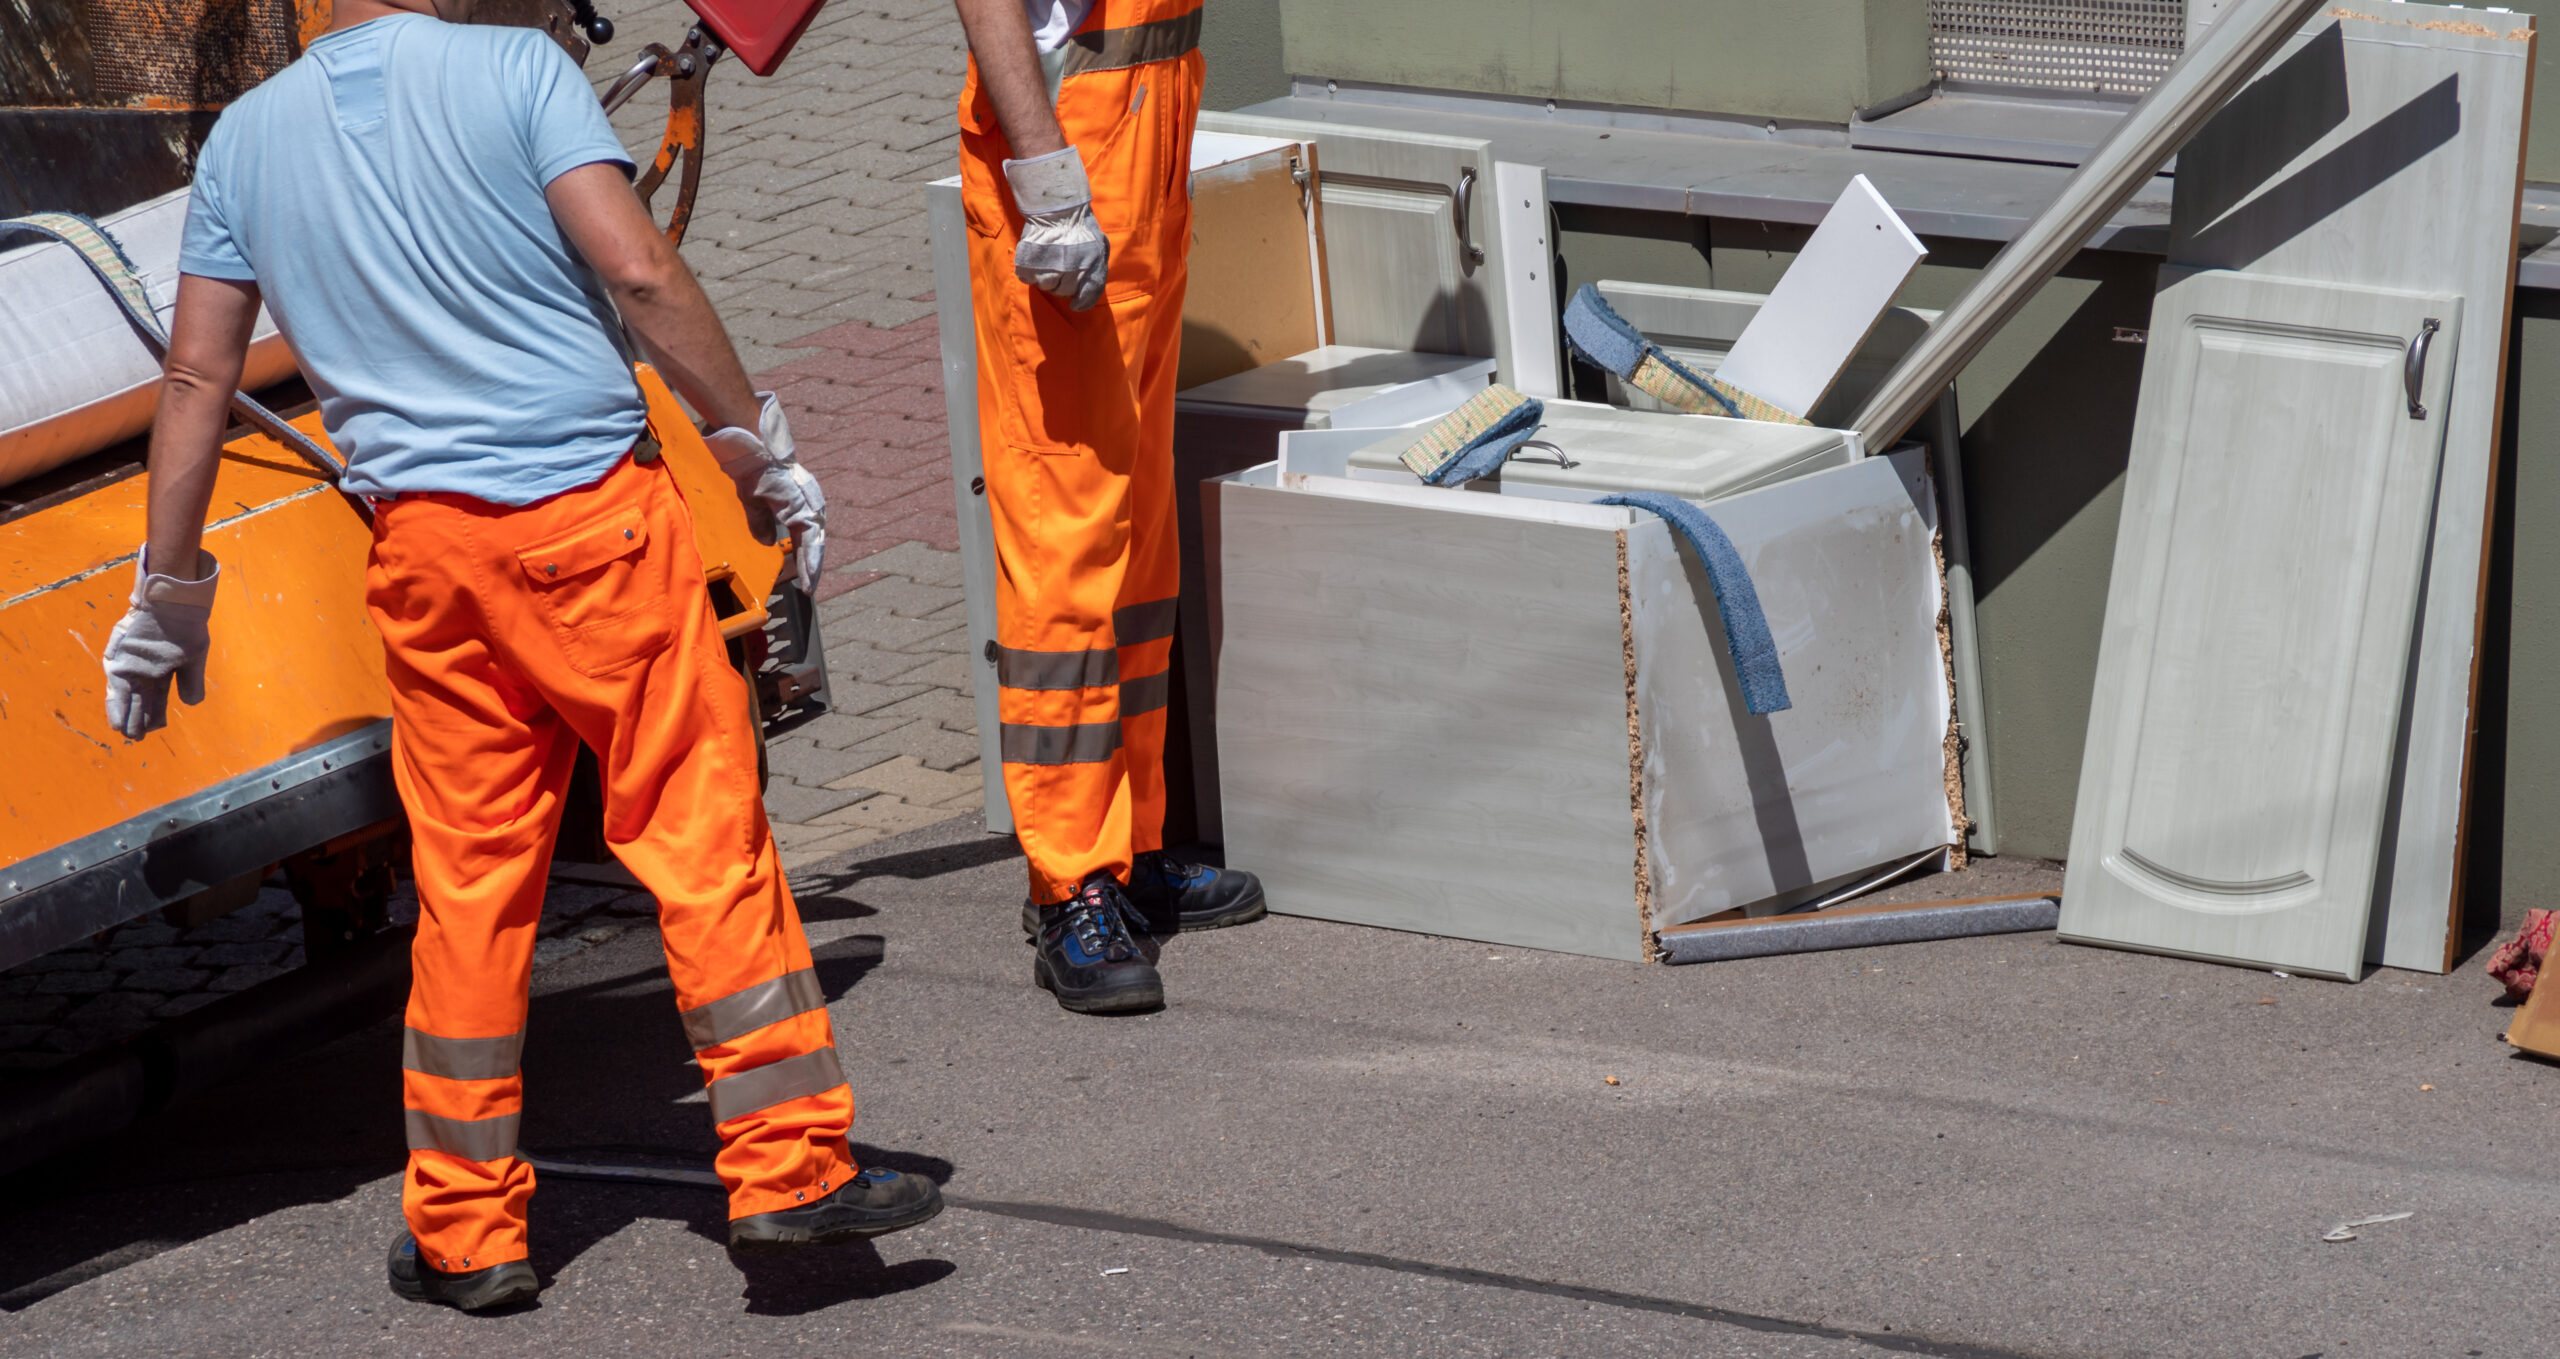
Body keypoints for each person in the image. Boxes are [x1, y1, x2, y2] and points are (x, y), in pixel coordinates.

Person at [98, 0, 939, 1313]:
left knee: (474, 882)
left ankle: (464, 1226)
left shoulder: (245, 146)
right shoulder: (517, 72)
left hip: (426, 560)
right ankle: (786, 1169)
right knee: (698, 831)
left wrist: (169, 586)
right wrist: (755, 441)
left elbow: (199, 380)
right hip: (592, 534)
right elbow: (642, 271)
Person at [951, 0, 1265, 1016]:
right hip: (1075, 146)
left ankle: (1125, 851)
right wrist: (1046, 185)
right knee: (1067, 530)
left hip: (1142, 134)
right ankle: (1068, 880)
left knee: (1133, 534)